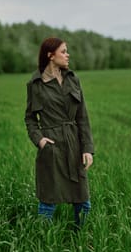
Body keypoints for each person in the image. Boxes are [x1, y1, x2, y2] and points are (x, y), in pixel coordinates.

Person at [24, 37, 94, 228]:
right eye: (63, 51)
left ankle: (81, 240)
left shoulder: (73, 79)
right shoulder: (35, 84)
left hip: (74, 146)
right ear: (50, 55)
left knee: (83, 201)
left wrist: (87, 148)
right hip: (51, 147)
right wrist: (40, 141)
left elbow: (82, 117)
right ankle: (43, 243)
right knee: (48, 202)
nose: (67, 55)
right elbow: (30, 119)